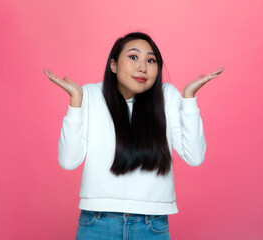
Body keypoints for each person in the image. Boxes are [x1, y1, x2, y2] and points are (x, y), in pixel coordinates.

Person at [44, 32, 224, 240]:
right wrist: (75, 101)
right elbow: (68, 161)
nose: (143, 67)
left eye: (151, 60)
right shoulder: (90, 95)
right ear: (113, 65)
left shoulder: (167, 96)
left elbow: (195, 157)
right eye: (133, 57)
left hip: (151, 225)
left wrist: (189, 98)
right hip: (97, 222)